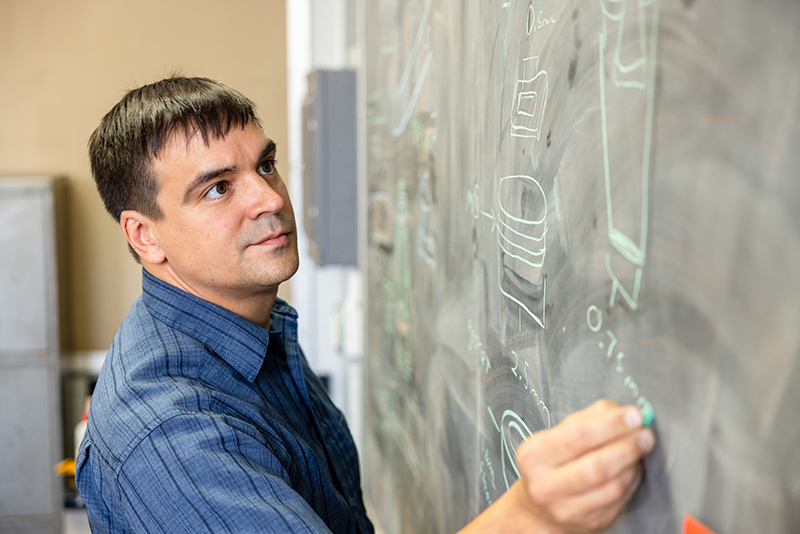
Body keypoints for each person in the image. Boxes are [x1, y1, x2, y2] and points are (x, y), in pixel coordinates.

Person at [75, 76, 656, 534]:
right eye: (218, 188)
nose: (269, 198)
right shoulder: (172, 432)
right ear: (145, 236)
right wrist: (534, 514)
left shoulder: (255, 332)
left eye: (266, 165)